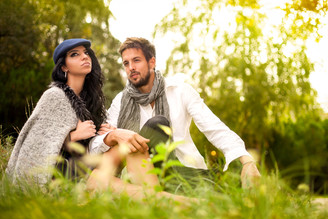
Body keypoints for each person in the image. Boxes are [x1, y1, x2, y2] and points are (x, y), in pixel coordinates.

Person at [5, 38, 191, 203]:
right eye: (75, 54)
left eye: (86, 53)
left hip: (92, 170)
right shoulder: (54, 96)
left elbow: (95, 146)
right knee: (124, 159)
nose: (85, 57)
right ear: (64, 66)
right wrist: (71, 137)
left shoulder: (93, 104)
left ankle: (158, 202)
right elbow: (36, 145)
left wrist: (109, 133)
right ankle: (183, 204)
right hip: (66, 180)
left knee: (131, 142)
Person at [90, 37, 261, 190]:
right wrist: (113, 135)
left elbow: (213, 127)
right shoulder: (121, 101)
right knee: (157, 125)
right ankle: (192, 186)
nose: (131, 68)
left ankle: (195, 184)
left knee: (232, 180)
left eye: (136, 60)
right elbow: (97, 144)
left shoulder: (180, 91)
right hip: (141, 175)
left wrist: (246, 160)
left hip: (186, 169)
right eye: (126, 63)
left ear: (152, 62)